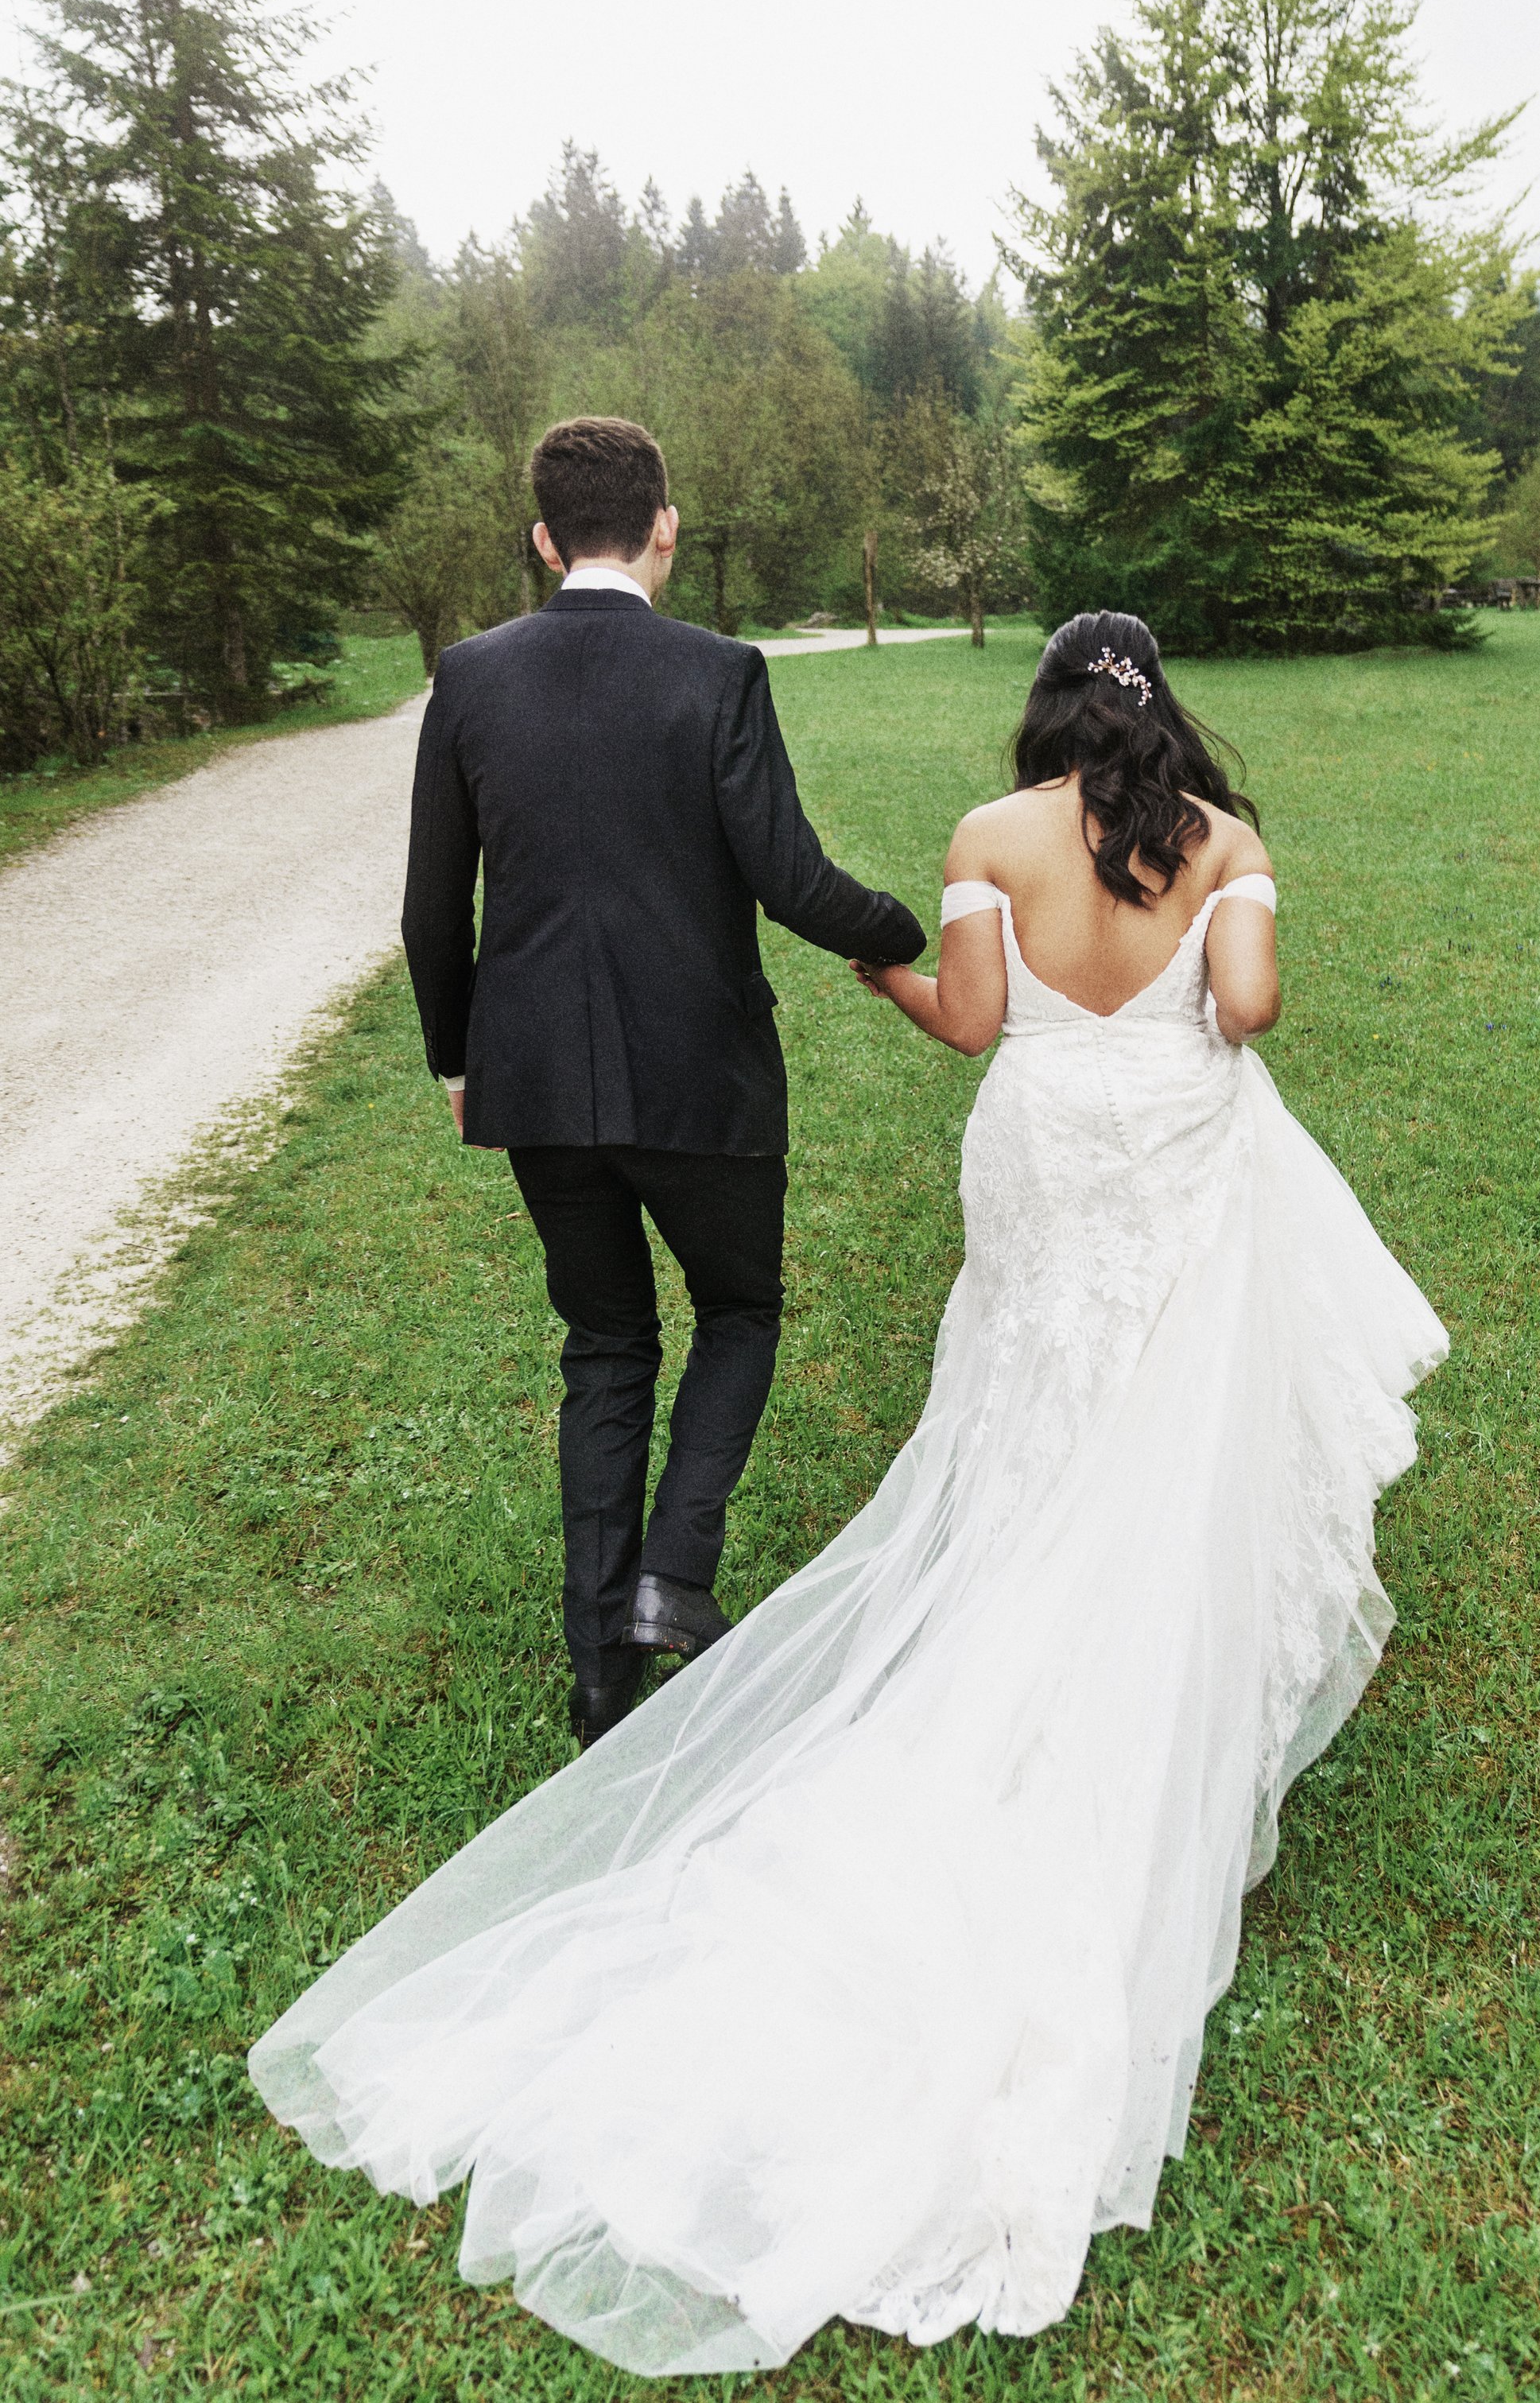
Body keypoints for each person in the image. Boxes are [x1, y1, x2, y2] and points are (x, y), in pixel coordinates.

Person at [251, 611, 1447, 2378]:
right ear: (1160, 711)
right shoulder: (1225, 842)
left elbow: (971, 1025)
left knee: (1027, 1406)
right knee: (1168, 1402)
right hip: (1177, 1151)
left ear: (1042, 712)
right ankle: (1150, 1642)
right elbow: (1249, 1007)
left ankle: (996, 1622)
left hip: (1042, 1148)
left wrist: (892, 973)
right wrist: (1204, 952)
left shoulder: (984, 839)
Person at [398, 416, 925, 1750]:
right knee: (740, 1309)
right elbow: (791, 876)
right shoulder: (720, 673)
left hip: (532, 1087)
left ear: (540, 538)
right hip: (703, 1083)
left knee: (606, 1344)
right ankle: (671, 1576)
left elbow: (426, 914)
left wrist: (459, 1059)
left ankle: (598, 1671)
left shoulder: (467, 678)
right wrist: (905, 931)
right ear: (665, 527)